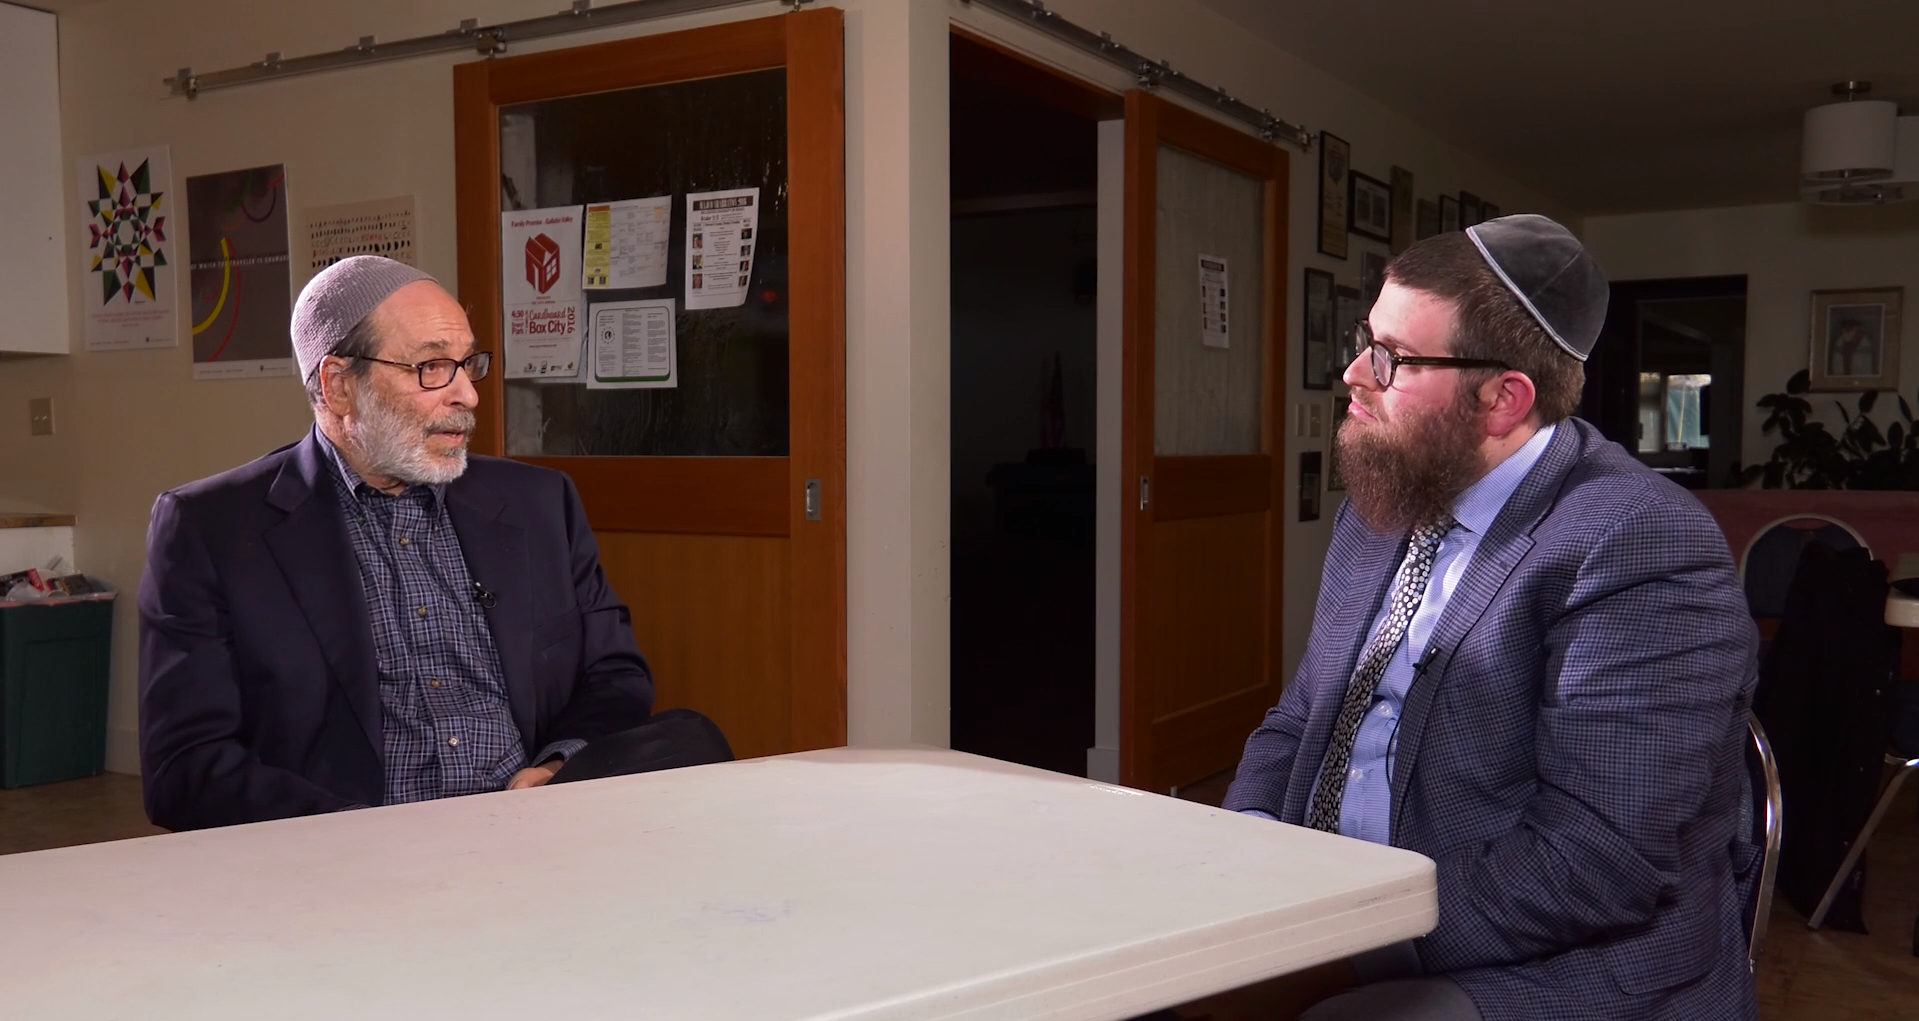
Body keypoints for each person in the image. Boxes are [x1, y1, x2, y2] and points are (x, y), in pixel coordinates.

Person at [1224, 216, 1759, 1021]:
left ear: (1502, 398)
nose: (1352, 375)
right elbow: (1304, 714)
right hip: (1336, 909)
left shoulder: (1638, 541)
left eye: (1392, 358)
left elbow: (1595, 861)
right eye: (1364, 340)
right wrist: (1247, 848)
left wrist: (1349, 937)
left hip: (1552, 962)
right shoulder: (1382, 501)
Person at [139, 256, 664, 831]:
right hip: (347, 863)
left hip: (537, 831)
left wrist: (561, 762)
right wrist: (361, 836)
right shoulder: (212, 528)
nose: (467, 395)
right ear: (338, 385)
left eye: (468, 364)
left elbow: (614, 675)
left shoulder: (540, 502)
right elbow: (185, 767)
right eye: (432, 367)